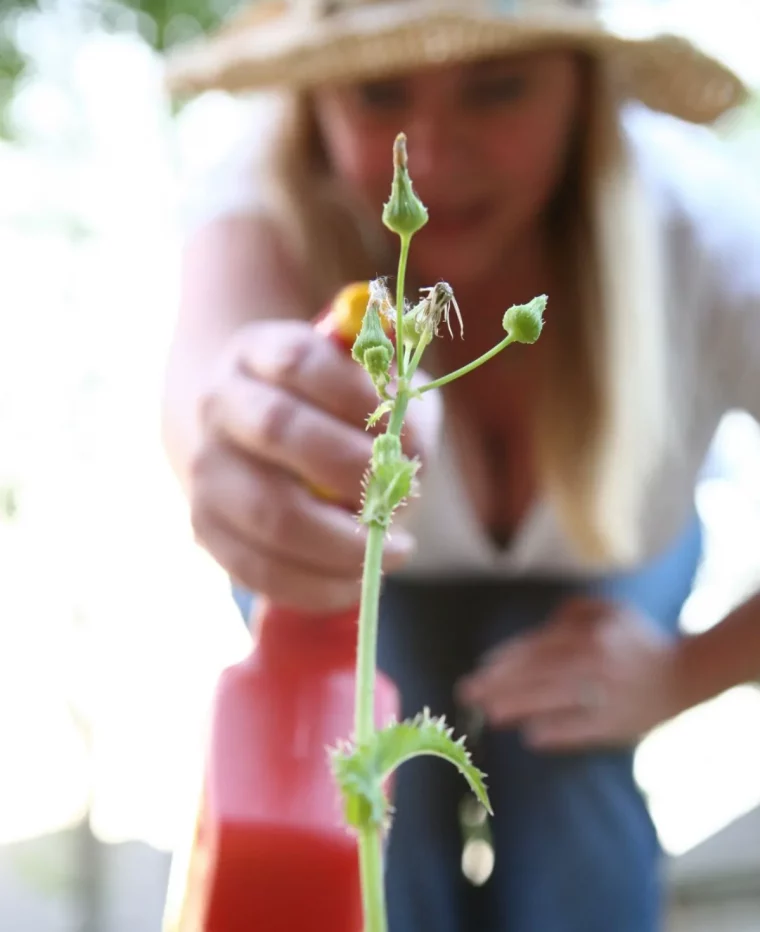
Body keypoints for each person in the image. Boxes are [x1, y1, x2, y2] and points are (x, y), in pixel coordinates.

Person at [160, 2, 760, 930]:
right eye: (379, 92)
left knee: (569, 766)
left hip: (615, 566)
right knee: (363, 791)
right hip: (351, 591)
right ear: (314, 105)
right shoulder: (259, 199)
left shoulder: (707, 229)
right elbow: (205, 391)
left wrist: (687, 670)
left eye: (500, 87)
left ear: (584, 89)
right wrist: (235, 442)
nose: (431, 158)